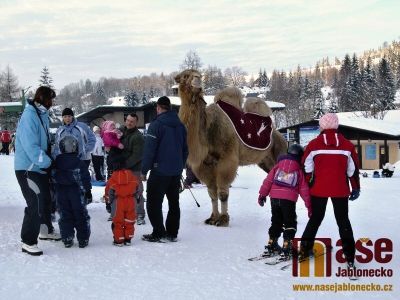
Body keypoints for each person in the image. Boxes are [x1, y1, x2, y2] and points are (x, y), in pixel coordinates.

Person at [300, 113, 360, 270]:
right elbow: (352, 170)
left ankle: (305, 250)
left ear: (322, 126)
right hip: (340, 190)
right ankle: (350, 257)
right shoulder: (347, 145)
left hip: (318, 189)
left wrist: (310, 181)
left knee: (315, 219)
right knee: (343, 221)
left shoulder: (313, 145)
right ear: (337, 125)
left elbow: (306, 167)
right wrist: (355, 188)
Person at [14, 86, 61, 256]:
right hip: (28, 168)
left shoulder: (41, 114)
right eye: (51, 99)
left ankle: (45, 230)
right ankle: (28, 241)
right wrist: (47, 162)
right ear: (42, 98)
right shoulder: (29, 116)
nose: (52, 103)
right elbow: (30, 146)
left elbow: (44, 141)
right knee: (35, 203)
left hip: (38, 167)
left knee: (46, 199)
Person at [141, 96, 188, 242]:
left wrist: (144, 170)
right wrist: (180, 165)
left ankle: (159, 232)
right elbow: (185, 150)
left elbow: (150, 150)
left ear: (158, 108)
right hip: (175, 172)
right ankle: (172, 232)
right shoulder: (181, 126)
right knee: (174, 202)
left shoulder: (156, 125)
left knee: (153, 203)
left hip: (159, 171)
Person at [258, 144, 312, 260]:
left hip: (274, 199)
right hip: (288, 200)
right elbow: (304, 190)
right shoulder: (298, 170)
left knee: (276, 221)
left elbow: (268, 181)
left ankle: (271, 243)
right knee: (290, 223)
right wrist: (309, 207)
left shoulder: (277, 166)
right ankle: (287, 246)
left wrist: (262, 195)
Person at [53, 135, 91, 248]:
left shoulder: (57, 161)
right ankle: (83, 239)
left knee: (65, 214)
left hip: (61, 192)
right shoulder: (79, 162)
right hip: (76, 192)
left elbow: (53, 176)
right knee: (80, 214)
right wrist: (88, 191)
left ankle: (67, 238)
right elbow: (85, 178)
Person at [53, 108, 96, 204]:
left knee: (82, 176)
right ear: (62, 118)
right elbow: (57, 145)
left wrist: (85, 150)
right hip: (66, 160)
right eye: (65, 116)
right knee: (69, 179)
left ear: (72, 116)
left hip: (82, 157)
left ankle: (87, 193)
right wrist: (57, 158)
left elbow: (92, 139)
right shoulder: (60, 130)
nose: (67, 118)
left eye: (69, 116)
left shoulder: (82, 127)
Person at [105, 156, 139, 246]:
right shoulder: (132, 177)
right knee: (129, 221)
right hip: (131, 201)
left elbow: (109, 192)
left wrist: (108, 202)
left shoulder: (113, 179)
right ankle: (128, 238)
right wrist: (137, 199)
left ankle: (119, 240)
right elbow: (137, 189)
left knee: (118, 221)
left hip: (118, 202)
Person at [120, 113, 147, 225]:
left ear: (136, 123)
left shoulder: (137, 136)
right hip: (122, 168)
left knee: (137, 191)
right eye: (128, 120)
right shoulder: (122, 132)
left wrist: (124, 164)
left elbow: (137, 155)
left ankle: (140, 214)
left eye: (132, 121)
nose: (129, 123)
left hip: (134, 168)